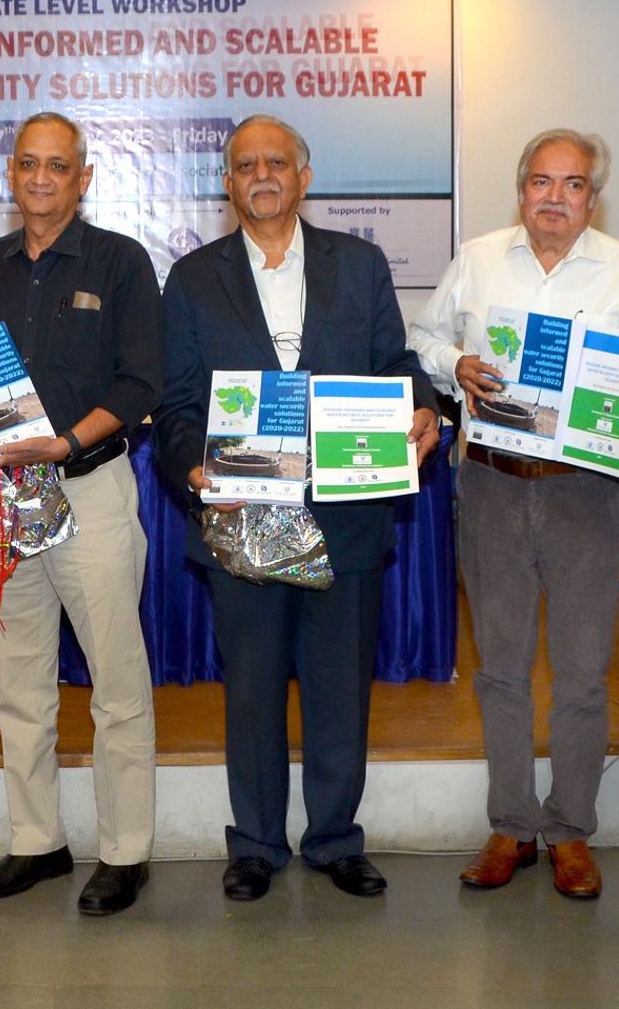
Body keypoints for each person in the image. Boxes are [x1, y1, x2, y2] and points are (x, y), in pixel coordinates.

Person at [155, 115, 440, 902]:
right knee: (249, 690)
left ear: (304, 177)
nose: (262, 175)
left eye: (276, 162)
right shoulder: (192, 278)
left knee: (339, 688)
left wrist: (423, 409)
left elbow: (396, 366)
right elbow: (177, 401)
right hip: (243, 513)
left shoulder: (360, 264)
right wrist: (192, 465)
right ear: (229, 183)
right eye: (246, 165)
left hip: (345, 513)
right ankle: (253, 844)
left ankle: (336, 840)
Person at [408, 128, 619, 899]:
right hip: (494, 484)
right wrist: (453, 364)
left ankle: (569, 830)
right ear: (521, 189)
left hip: (587, 493)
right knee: (499, 669)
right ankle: (510, 825)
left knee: (581, 674)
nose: (553, 198)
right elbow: (426, 337)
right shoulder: (479, 258)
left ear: (592, 197)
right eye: (540, 182)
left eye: (571, 185)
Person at [0, 110, 162, 916]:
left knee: (116, 680)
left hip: (91, 487)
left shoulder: (121, 262)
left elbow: (143, 385)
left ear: (84, 177)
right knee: (19, 682)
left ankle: (126, 851)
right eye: (28, 164)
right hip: (3, 493)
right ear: (11, 175)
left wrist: (67, 444)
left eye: (57, 166)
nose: (41, 178)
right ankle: (36, 840)